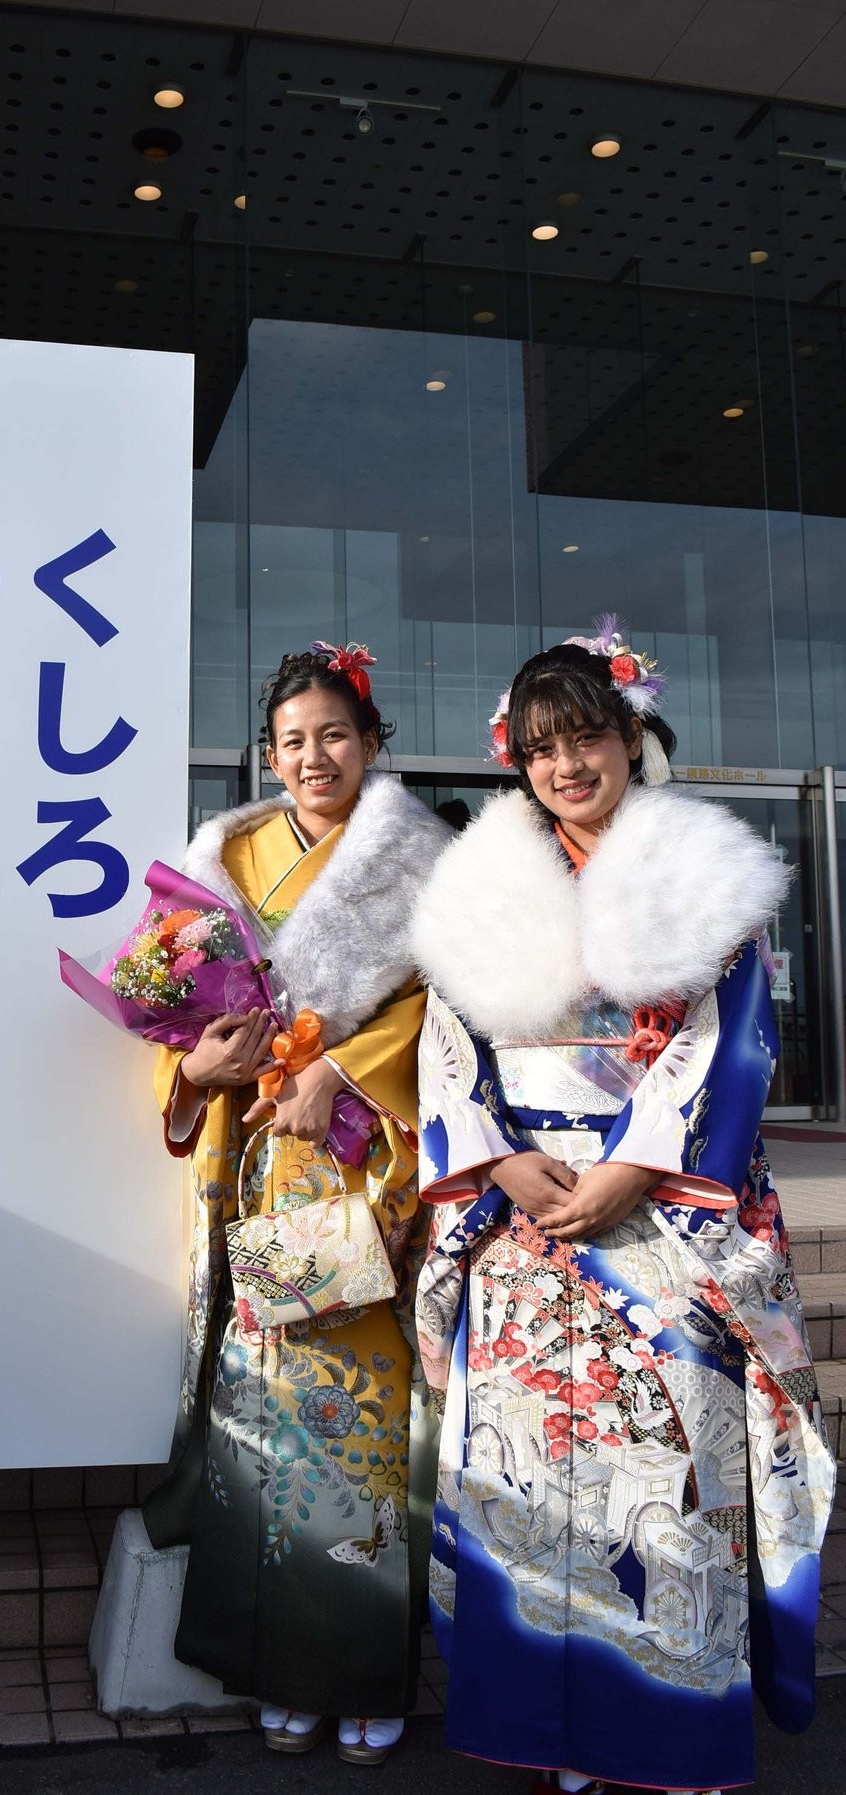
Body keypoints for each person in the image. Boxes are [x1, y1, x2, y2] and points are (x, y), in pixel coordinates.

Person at [410, 619, 836, 1795]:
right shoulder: (483, 884)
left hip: (661, 1231)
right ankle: (549, 1736)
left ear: (629, 736)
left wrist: (639, 1165)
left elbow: (730, 1043)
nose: (566, 765)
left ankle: (668, 1734)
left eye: (586, 736)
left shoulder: (706, 877)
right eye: (542, 747)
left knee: (669, 1491)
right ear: (518, 760)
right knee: (529, 1488)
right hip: (523, 1229)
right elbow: (446, 1048)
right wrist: (497, 1160)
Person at [142, 642, 449, 1764]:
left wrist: (344, 1070)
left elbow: (445, 1009)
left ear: (370, 742)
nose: (313, 757)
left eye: (333, 735)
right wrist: (199, 1067)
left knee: (353, 1429)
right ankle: (276, 1663)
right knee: (258, 1421)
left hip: (357, 1176)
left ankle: (360, 1667)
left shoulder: (426, 863)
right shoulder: (226, 857)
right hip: (254, 1167)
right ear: (268, 756)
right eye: (291, 741)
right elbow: (177, 1005)